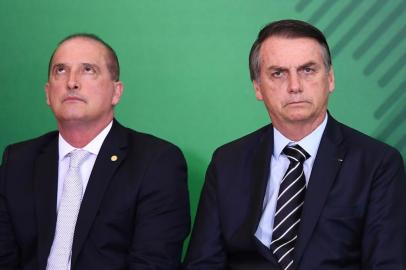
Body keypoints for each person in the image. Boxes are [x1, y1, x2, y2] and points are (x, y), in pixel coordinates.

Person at [183, 19, 406, 270]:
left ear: (330, 79)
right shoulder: (228, 161)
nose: (295, 86)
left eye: (308, 70)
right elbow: (202, 263)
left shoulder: (377, 163)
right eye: (278, 73)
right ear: (258, 87)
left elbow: (387, 264)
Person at [0, 33, 190, 270]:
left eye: (88, 69)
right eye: (61, 70)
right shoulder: (18, 161)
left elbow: (153, 262)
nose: (71, 82)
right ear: (48, 93)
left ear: (116, 92)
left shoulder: (156, 162)